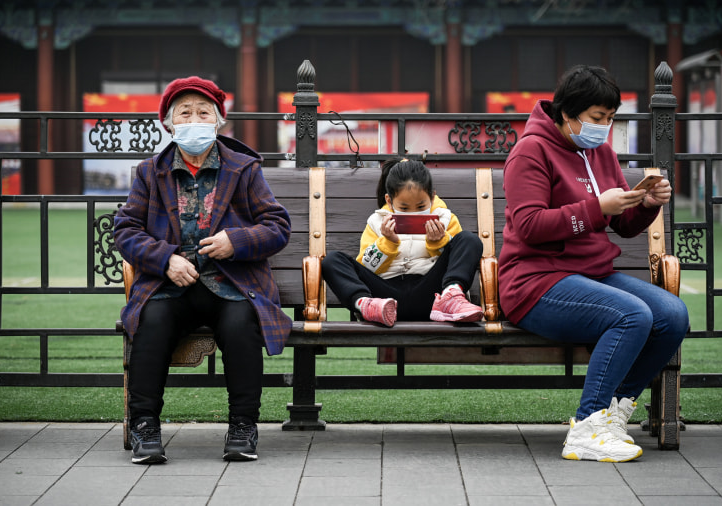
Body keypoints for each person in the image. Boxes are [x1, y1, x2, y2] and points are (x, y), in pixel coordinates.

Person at [497, 65, 688, 462]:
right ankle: (587, 427)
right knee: (632, 314)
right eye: (598, 118)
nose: (605, 127)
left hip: (593, 275)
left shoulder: (599, 151)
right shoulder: (530, 151)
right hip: (535, 281)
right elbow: (530, 226)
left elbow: (622, 224)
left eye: (611, 118)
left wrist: (647, 204)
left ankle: (613, 417)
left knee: (672, 313)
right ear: (568, 114)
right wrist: (595, 207)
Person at [114, 76, 292, 464]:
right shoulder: (151, 172)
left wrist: (237, 242)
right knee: (152, 319)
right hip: (170, 285)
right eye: (185, 112)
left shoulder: (244, 169)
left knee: (240, 323)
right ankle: (144, 426)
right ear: (168, 123)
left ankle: (243, 426)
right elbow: (125, 230)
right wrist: (165, 259)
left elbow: (278, 227)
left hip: (232, 284)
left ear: (219, 121)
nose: (194, 119)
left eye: (203, 112)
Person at [321, 158, 484, 326]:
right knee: (332, 260)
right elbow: (367, 267)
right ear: (389, 201)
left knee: (469, 240)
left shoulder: (446, 218)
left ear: (432, 197)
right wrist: (387, 244)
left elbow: (455, 261)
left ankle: (451, 297)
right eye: (404, 208)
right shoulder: (376, 221)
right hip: (385, 298)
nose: (413, 213)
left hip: (431, 295)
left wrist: (439, 242)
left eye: (421, 207)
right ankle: (365, 305)